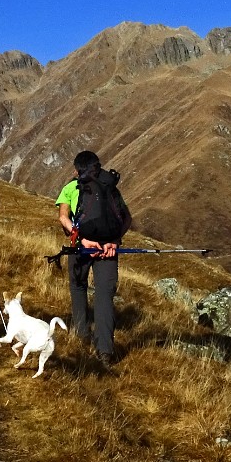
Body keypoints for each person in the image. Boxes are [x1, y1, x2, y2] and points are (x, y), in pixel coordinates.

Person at [55, 150, 132, 366]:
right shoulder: (109, 188)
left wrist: (82, 240)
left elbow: (63, 217)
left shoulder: (71, 187)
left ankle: (81, 333)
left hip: (82, 247)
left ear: (76, 169)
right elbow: (126, 218)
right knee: (104, 295)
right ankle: (105, 351)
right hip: (109, 248)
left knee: (78, 285)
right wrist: (114, 241)